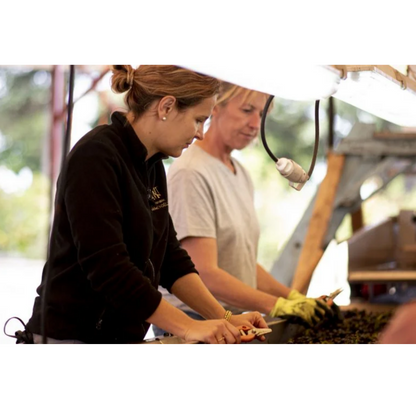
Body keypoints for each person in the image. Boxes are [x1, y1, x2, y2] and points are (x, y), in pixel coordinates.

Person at [25, 62, 268, 347]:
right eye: (198, 120)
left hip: (118, 336)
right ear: (166, 107)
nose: (201, 133)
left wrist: (224, 317)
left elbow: (170, 259)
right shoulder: (96, 156)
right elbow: (110, 269)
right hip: (70, 337)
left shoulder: (152, 166)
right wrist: (188, 327)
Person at [159, 81, 334, 336]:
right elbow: (204, 272)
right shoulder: (191, 172)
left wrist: (294, 297)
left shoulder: (240, 173)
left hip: (233, 320)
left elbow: (241, 264)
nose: (255, 124)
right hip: (196, 324)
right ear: (215, 108)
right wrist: (277, 305)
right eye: (246, 110)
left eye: (261, 114)